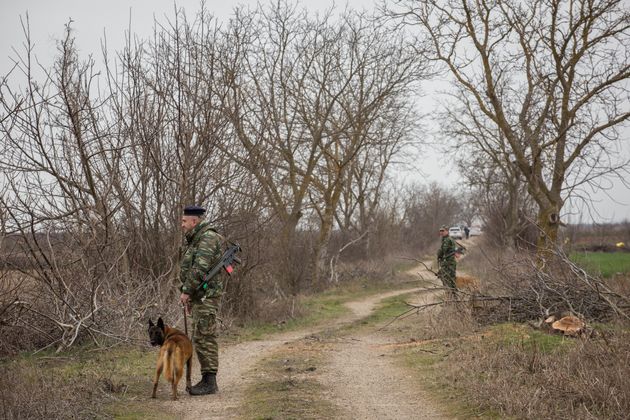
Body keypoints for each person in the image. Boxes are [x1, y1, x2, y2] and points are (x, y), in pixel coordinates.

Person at [179, 205, 225, 395]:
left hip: (207, 296)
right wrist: (190, 298)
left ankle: (209, 382)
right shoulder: (196, 238)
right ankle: (207, 379)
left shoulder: (207, 237)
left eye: (184, 221)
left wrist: (187, 291)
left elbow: (200, 268)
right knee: (201, 336)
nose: (182, 225)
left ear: (194, 221)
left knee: (205, 336)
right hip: (199, 297)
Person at [437, 225, 458, 293]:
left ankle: (452, 297)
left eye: (443, 231)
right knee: (447, 279)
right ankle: (451, 297)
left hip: (449, 263)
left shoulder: (447, 239)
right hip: (447, 263)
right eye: (440, 231)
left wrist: (439, 254)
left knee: (449, 280)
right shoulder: (445, 239)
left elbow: (443, 250)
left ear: (447, 231)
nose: (441, 232)